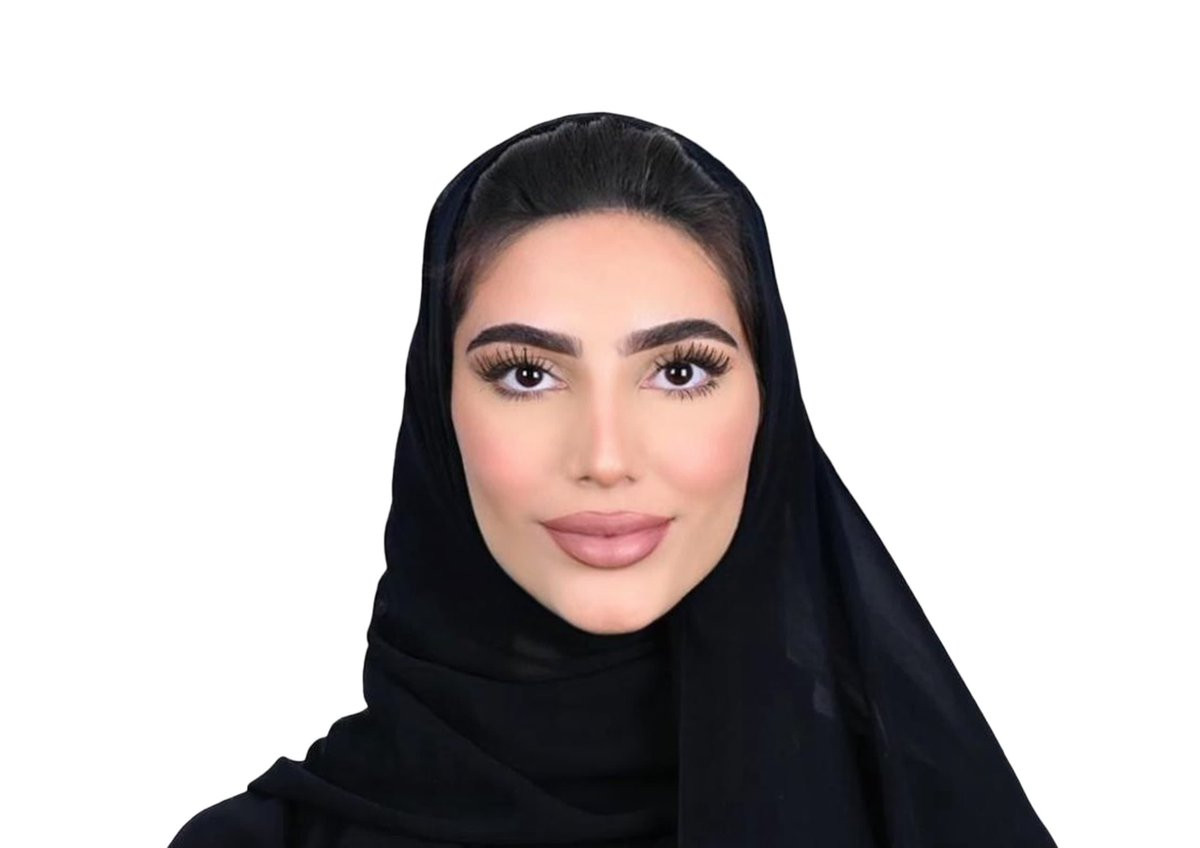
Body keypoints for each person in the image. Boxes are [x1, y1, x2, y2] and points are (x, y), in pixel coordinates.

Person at [168, 111, 1058, 847]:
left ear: (770, 406)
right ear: (438, 415)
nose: (604, 456)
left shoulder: (922, 820)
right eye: (527, 374)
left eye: (679, 371)